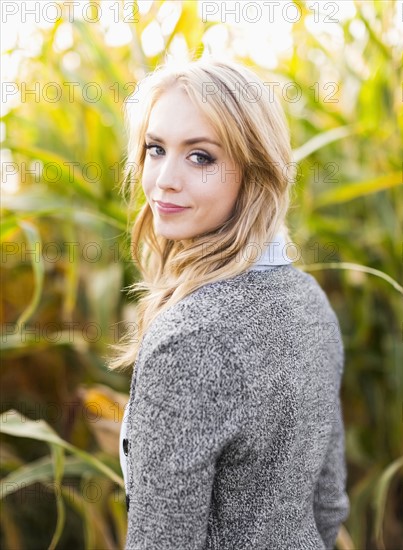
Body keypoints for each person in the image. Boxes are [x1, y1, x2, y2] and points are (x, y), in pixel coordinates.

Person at [107, 56, 350, 549]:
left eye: (201, 157)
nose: (164, 180)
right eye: (156, 149)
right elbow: (328, 505)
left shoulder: (189, 342)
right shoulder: (311, 302)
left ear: (254, 169)